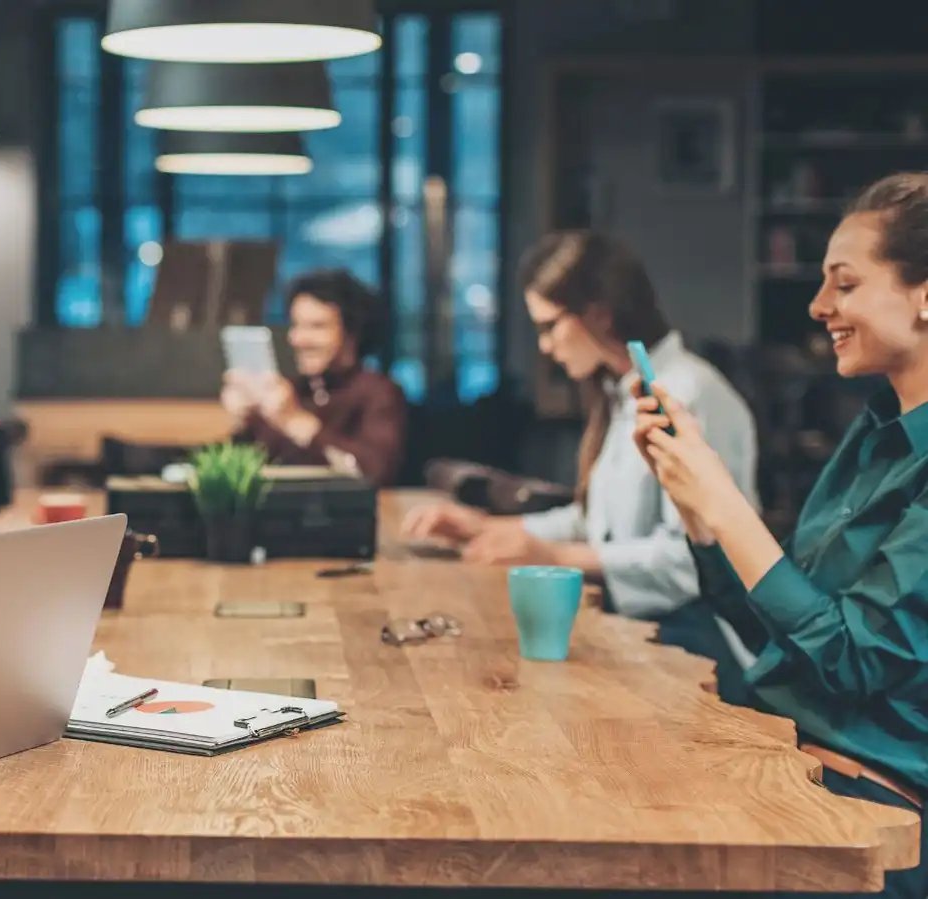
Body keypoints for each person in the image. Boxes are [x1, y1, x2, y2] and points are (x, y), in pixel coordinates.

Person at [635, 173, 928, 899]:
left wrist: (725, 500)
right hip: (784, 757)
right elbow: (784, 629)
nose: (817, 306)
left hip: (870, 808)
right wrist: (698, 512)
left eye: (845, 284)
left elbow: (852, 659)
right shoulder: (869, 435)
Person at [402, 231, 760, 702]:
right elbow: (594, 523)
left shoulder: (689, 395)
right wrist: (487, 527)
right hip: (646, 643)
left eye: (550, 326)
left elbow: (688, 563)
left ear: (598, 314)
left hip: (704, 654)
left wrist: (552, 557)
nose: (545, 347)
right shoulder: (626, 390)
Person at [221, 269, 407, 486]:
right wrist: (243, 422)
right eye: (295, 325)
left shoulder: (379, 393)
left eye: (317, 326)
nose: (298, 339)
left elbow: (373, 472)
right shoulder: (291, 390)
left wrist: (295, 422)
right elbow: (248, 472)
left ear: (352, 332)